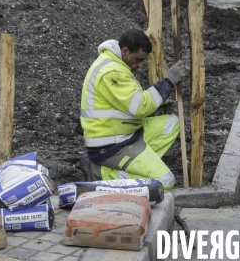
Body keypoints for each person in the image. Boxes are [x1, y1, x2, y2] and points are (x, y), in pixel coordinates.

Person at [79, 29, 186, 190]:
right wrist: (168, 81)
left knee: (170, 123)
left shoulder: (117, 63)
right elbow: (140, 106)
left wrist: (155, 108)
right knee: (165, 180)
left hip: (126, 135)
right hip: (111, 145)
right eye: (138, 59)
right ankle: (105, 175)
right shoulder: (112, 72)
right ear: (125, 51)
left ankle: (137, 168)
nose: (140, 65)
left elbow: (127, 103)